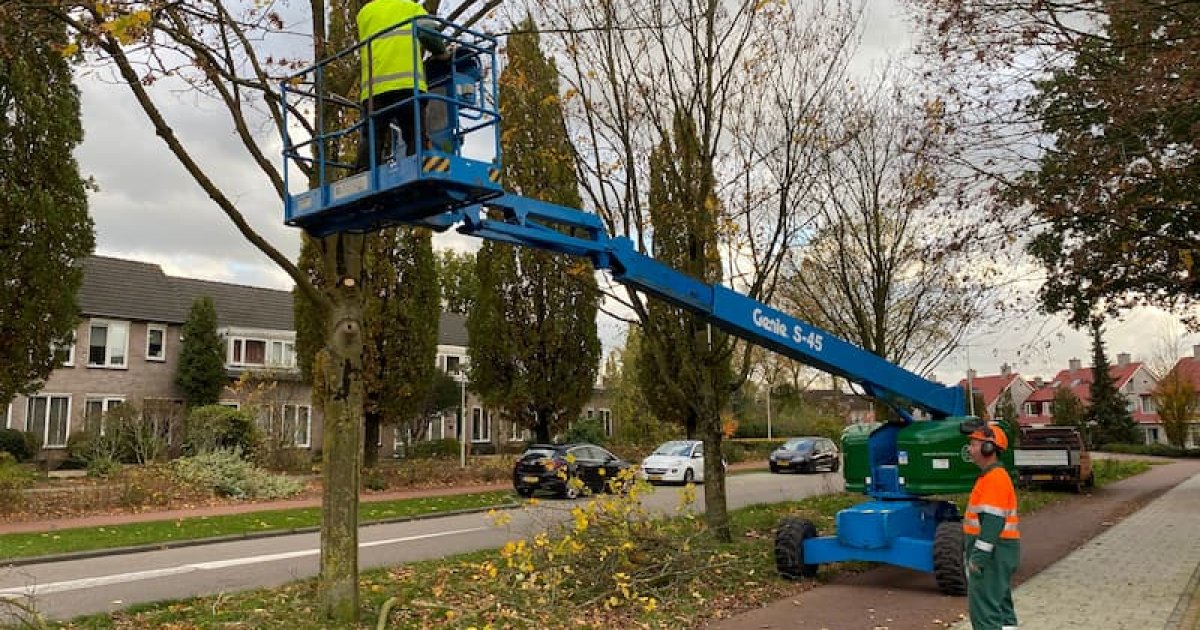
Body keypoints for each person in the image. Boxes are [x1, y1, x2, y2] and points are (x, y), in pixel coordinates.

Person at [355, 0, 450, 171]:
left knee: (372, 136)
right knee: (414, 134)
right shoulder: (411, 8)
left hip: (374, 91)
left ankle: (364, 174)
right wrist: (442, 54)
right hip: (407, 85)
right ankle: (416, 167)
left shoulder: (364, 13)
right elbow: (429, 35)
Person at [962, 420, 1020, 630]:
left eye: (974, 443)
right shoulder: (994, 477)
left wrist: (978, 559)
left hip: (991, 558)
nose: (970, 448)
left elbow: (992, 523)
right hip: (1001, 554)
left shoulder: (994, 479)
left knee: (984, 613)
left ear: (988, 448)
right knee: (1002, 610)